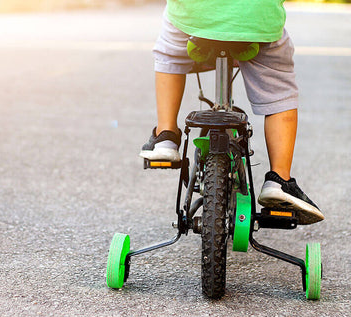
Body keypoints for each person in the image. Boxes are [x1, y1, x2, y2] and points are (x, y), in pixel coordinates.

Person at [139, 1, 324, 225]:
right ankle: (279, 179)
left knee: (169, 54)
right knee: (279, 91)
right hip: (254, 19)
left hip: (194, 16)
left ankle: (166, 135)